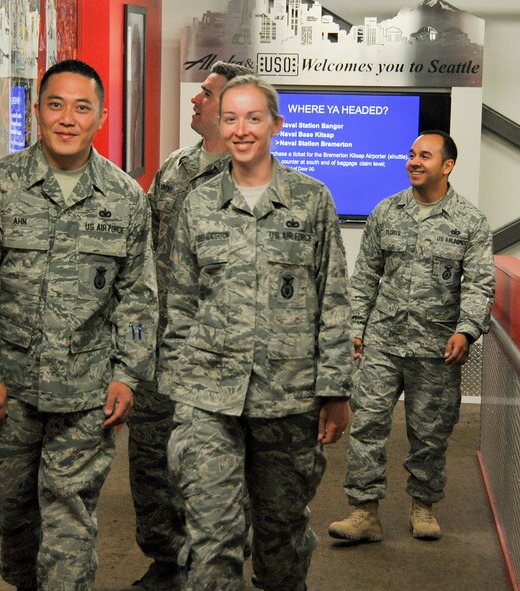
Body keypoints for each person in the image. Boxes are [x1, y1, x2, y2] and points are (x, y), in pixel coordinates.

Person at [0, 59, 157, 591]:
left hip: (86, 396)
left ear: (101, 117)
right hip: (8, 395)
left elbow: (138, 296)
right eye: (56, 105)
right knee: (16, 521)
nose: (67, 118)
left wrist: (127, 375)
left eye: (82, 107)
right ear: (36, 112)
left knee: (69, 523)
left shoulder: (126, 198)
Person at [160, 74, 353, 591]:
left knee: (281, 535)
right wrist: (180, 390)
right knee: (212, 537)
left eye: (253, 118)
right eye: (230, 118)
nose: (241, 129)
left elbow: (333, 299)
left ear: (275, 126)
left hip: (287, 399)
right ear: (219, 126)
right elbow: (179, 302)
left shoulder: (311, 201)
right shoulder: (198, 204)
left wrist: (335, 392)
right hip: (208, 399)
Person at [328, 130, 495, 542]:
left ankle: (423, 505)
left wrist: (466, 330)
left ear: (447, 165)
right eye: (411, 154)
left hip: (437, 348)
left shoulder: (469, 222)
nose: (414, 161)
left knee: (430, 431)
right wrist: (355, 328)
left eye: (425, 155)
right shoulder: (386, 211)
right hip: (383, 340)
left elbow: (479, 284)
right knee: (367, 424)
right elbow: (365, 275)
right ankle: (363, 511)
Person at [124, 60, 253, 591]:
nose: (195, 100)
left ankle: (213, 566)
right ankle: (162, 557)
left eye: (206, 94)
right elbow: (147, 252)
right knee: (151, 455)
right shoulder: (174, 168)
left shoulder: (252, 177)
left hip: (219, 349)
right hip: (160, 344)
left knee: (214, 465)